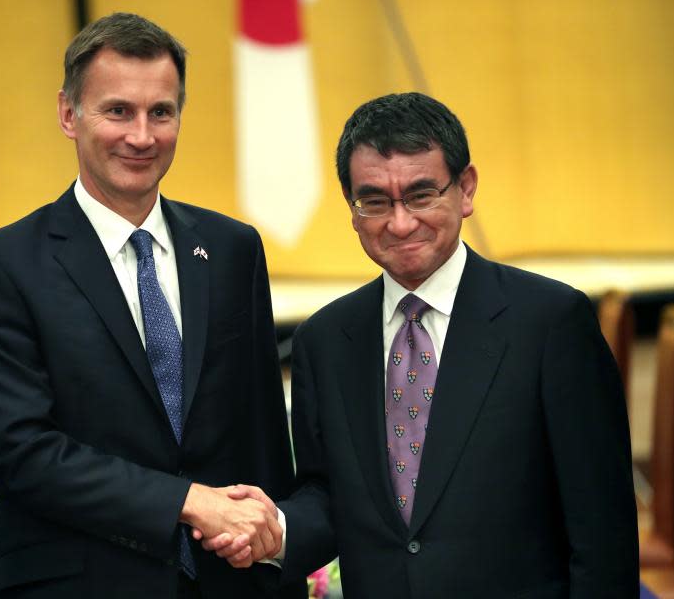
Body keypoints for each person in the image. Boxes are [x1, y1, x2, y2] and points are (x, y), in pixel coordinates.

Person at [210, 92, 639, 596]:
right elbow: (330, 496)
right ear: (350, 208)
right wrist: (275, 531)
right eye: (374, 201)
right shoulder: (324, 341)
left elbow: (601, 529)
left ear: (466, 188)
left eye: (420, 195)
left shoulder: (549, 323)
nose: (400, 222)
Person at [0, 13, 303, 599]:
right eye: (117, 110)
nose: (142, 136)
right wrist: (187, 503)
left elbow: (262, 436)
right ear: (69, 114)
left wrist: (280, 568)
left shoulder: (231, 248)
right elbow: (21, 453)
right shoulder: (1, 266)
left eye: (160, 113)